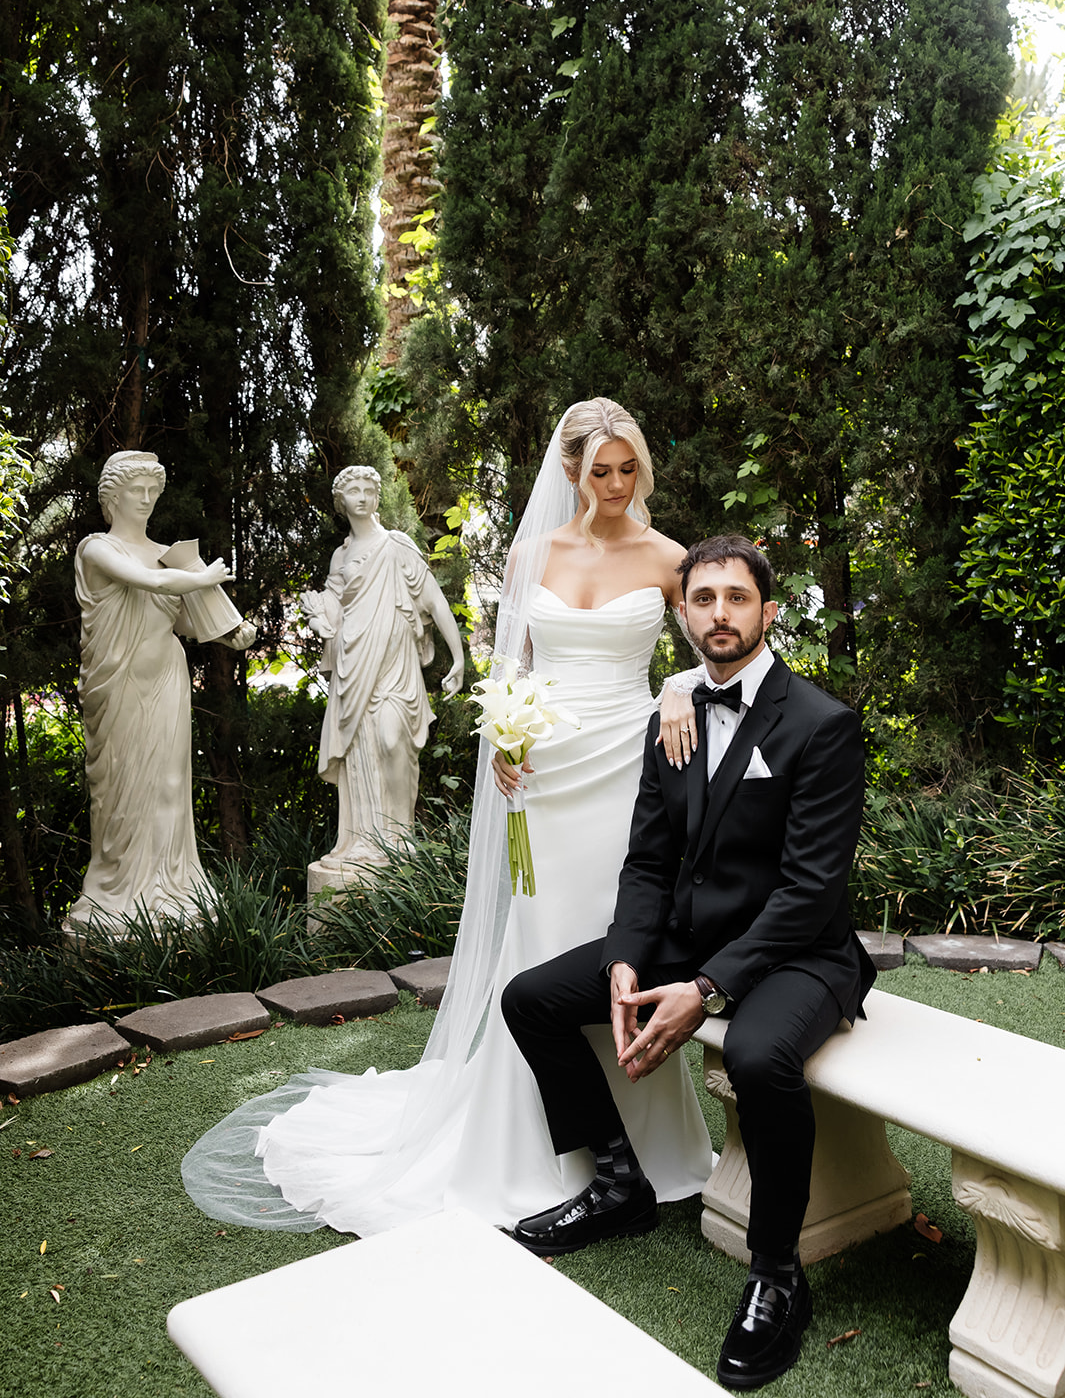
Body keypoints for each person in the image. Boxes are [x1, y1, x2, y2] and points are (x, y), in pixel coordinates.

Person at [180, 399, 713, 1234]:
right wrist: (504, 735)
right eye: (598, 471)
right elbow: (517, 663)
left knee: (623, 941)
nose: (614, 485)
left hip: (628, 773)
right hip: (546, 774)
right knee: (543, 944)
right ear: (570, 472)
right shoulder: (534, 552)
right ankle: (542, 1150)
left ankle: (646, 1144)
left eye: (627, 470)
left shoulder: (670, 557)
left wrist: (677, 688)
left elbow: (720, 652)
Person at [501, 533, 875, 1392]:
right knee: (533, 998)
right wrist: (629, 962)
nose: (719, 613)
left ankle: (776, 1272)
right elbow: (645, 861)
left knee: (754, 1054)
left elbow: (810, 892)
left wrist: (706, 990)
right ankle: (619, 1183)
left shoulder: (821, 725)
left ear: (768, 612)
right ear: (681, 614)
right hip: (686, 935)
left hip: (800, 952)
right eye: (702, 599)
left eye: (736, 598)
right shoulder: (667, 720)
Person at [66, 451, 256, 932]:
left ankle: (174, 885)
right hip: (121, 684)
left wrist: (228, 631)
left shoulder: (166, 553)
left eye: (154, 491)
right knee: (124, 788)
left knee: (170, 784)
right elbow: (149, 581)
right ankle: (119, 893)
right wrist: (200, 578)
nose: (147, 499)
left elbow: (184, 619)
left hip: (167, 678)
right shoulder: (97, 549)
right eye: (136, 490)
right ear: (112, 496)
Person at [302, 465, 464, 880]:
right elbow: (335, 607)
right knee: (362, 752)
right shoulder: (341, 555)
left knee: (394, 740)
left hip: (394, 667)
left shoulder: (397, 546)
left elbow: (434, 600)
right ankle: (363, 841)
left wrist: (458, 654)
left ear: (376, 496)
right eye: (352, 490)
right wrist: (321, 619)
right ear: (342, 501)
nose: (361, 496)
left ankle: (398, 837)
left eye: (368, 489)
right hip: (353, 668)